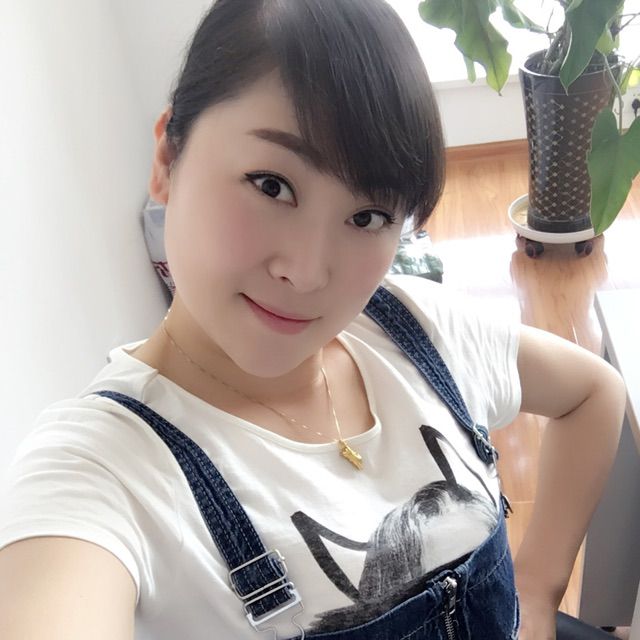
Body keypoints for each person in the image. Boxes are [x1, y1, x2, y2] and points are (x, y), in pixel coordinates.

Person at [0, 1, 626, 639]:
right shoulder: (105, 468)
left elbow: (593, 391)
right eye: (271, 184)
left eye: (367, 217)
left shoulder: (413, 328)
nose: (306, 272)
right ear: (167, 159)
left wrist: (539, 590)